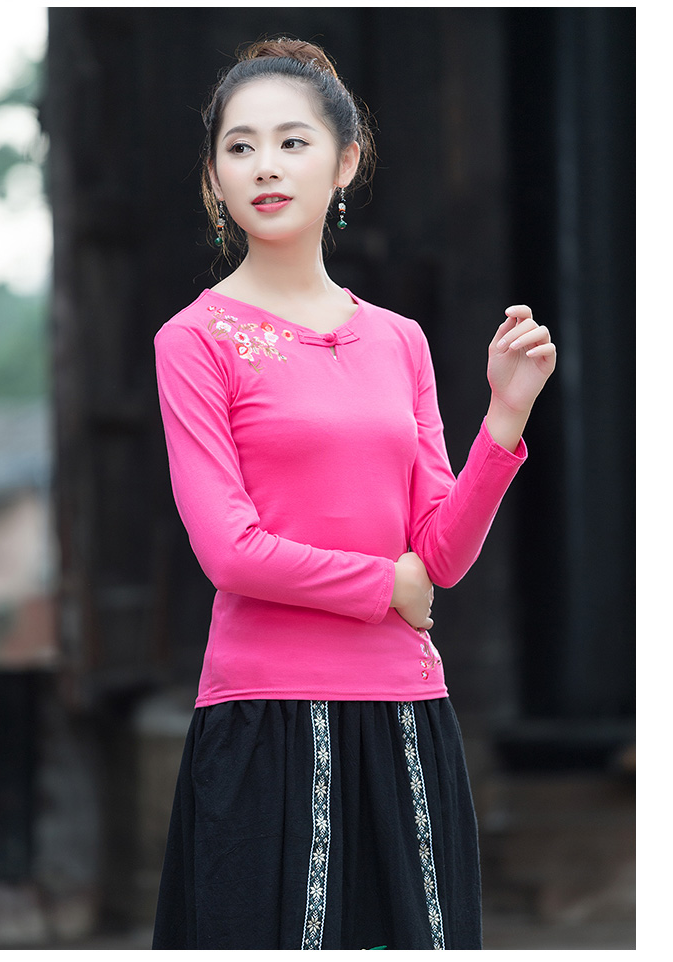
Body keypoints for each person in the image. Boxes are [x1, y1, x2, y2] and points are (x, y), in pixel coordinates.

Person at [150, 38, 556, 951]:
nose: (265, 166)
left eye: (292, 142)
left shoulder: (400, 341)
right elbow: (228, 550)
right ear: (214, 178)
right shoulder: (196, 340)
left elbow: (440, 550)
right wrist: (385, 586)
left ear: (345, 163)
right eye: (240, 146)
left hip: (407, 713)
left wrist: (505, 417)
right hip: (263, 718)